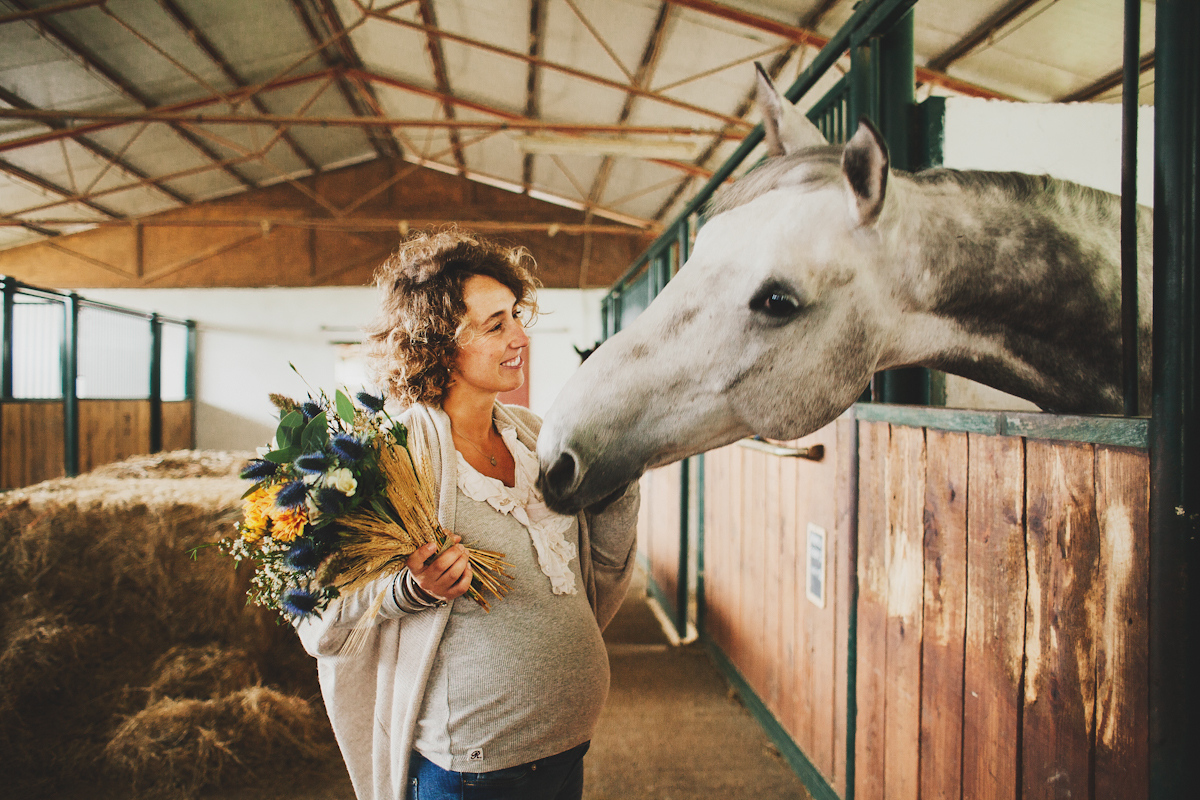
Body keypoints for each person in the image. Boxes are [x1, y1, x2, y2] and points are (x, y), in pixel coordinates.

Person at [294, 230, 640, 800]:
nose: (520, 336)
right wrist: (411, 588)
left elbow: (591, 574)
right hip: (475, 772)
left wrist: (620, 482)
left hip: (566, 749)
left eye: (516, 316)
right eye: (495, 325)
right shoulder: (395, 458)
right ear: (437, 344)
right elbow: (320, 621)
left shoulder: (535, 438)